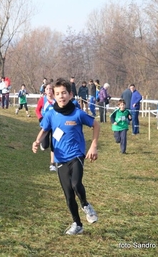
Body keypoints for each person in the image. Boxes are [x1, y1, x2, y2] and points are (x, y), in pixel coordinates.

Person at [32, 79, 99, 235]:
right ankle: (77, 224)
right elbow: (44, 129)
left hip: (76, 154)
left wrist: (94, 145)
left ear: (70, 94)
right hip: (60, 158)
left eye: (64, 93)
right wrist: (37, 141)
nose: (61, 96)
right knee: (68, 195)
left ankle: (86, 206)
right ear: (53, 96)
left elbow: (96, 125)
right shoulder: (50, 114)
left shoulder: (77, 113)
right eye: (57, 94)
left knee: (76, 184)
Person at [35, 83, 56, 171]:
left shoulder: (56, 100)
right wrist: (40, 118)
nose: (49, 90)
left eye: (51, 89)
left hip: (55, 125)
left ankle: (52, 164)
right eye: (47, 89)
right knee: (45, 145)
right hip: (45, 124)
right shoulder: (42, 100)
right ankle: (42, 144)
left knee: (54, 144)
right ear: (45, 91)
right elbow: (37, 110)